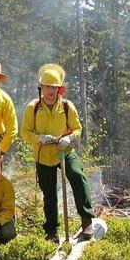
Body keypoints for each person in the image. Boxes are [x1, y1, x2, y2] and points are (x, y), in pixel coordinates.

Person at [20, 63, 95, 242]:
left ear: (60, 89)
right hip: (43, 156)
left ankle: (87, 221)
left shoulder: (68, 106)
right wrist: (39, 138)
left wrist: (70, 139)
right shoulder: (33, 107)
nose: (51, 91)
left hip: (65, 151)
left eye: (54, 88)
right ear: (41, 87)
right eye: (47, 87)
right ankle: (52, 231)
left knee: (78, 176)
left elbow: (77, 129)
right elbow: (24, 133)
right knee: (49, 193)